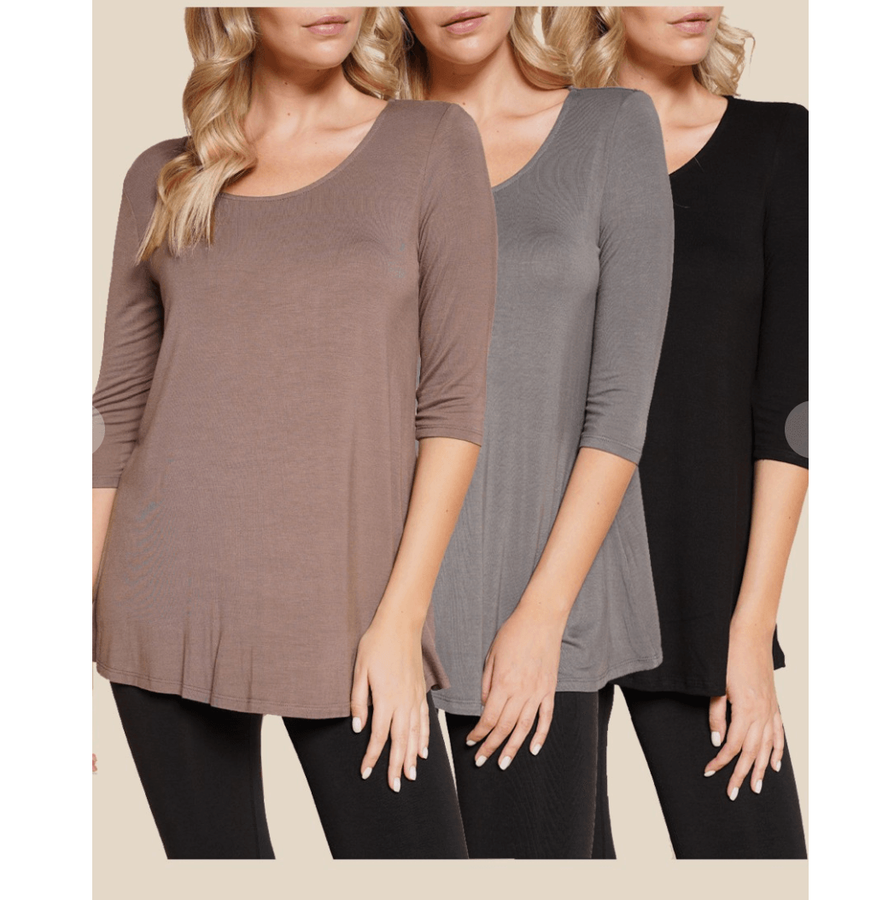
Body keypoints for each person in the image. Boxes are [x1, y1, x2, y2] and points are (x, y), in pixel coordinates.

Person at [91, 6, 497, 860]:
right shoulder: (164, 175)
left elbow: (453, 407)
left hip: (351, 621)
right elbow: (115, 417)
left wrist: (400, 622)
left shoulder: (431, 143)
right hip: (162, 601)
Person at [399, 7, 673, 858]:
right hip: (383, 591)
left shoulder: (609, 127)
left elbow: (620, 407)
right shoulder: (370, 140)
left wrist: (542, 616)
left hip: (541, 589)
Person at [544, 5, 808, 858]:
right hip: (542, 582)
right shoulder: (541, 143)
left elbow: (795, 408)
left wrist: (749, 633)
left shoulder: (779, 143)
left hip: (699, 591)